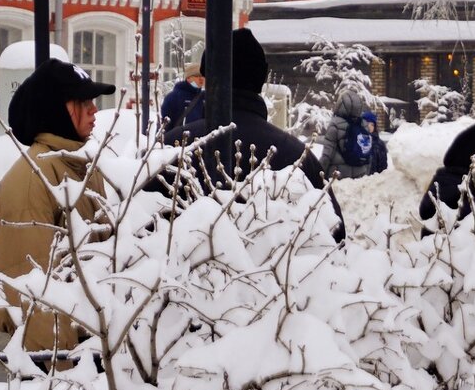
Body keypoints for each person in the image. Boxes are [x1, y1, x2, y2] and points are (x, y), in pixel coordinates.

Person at [0, 58, 116, 353]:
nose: (94, 110)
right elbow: (32, 291)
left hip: (94, 350)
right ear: (56, 110)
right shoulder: (32, 179)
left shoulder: (80, 166)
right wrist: (60, 371)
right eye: (83, 101)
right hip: (65, 365)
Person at [165, 28, 346, 241]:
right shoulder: (298, 158)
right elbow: (335, 240)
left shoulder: (173, 150)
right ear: (262, 77)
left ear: (208, 76)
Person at [317, 89, 373, 180]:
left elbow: (327, 155)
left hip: (338, 177)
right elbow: (368, 153)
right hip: (360, 177)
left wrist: (318, 173)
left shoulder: (335, 124)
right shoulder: (364, 125)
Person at [160, 63, 205, 130]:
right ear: (188, 78)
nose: (201, 78)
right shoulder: (173, 97)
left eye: (203, 76)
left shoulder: (205, 98)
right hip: (179, 138)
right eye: (197, 75)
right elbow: (165, 126)